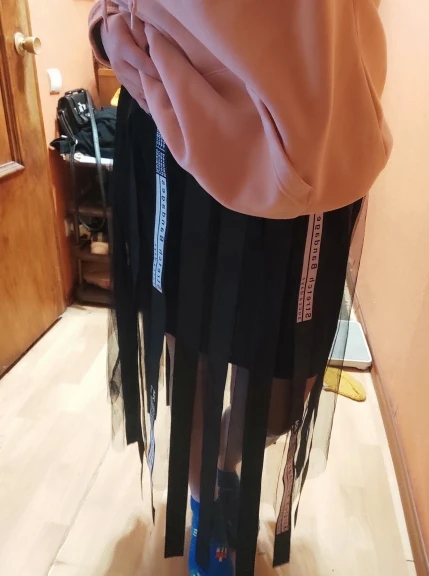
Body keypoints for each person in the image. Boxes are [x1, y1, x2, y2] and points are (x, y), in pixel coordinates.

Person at [88, 2, 390, 575]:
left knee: (282, 389)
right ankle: (206, 502)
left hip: (319, 113)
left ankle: (226, 465)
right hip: (173, 105)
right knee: (191, 349)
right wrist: (106, 18)